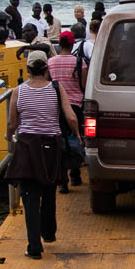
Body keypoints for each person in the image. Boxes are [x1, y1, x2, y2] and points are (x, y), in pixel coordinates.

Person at [5, 51, 82, 259]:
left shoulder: (18, 91)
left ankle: (34, 247)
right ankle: (48, 233)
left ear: (28, 70)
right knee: (49, 190)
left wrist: (8, 135)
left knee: (30, 196)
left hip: (27, 146)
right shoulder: (57, 89)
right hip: (51, 146)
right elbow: (71, 117)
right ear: (47, 69)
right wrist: (77, 135)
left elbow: (13, 122)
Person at [47, 31, 86, 192]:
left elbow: (49, 83)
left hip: (56, 107)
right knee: (74, 140)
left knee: (59, 142)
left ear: (60, 44)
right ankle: (75, 175)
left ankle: (62, 181)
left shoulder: (50, 62)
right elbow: (83, 85)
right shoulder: (79, 62)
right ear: (72, 45)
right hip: (75, 105)